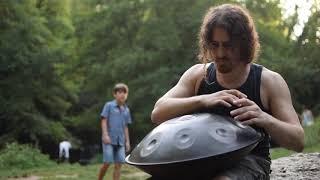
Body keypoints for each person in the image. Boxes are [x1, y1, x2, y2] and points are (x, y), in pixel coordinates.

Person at [151, 4, 304, 180]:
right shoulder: (198, 75)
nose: (220, 53)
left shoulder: (269, 81)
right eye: (215, 45)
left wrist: (264, 118)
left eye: (228, 45)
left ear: (244, 44)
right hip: (202, 159)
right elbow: (158, 113)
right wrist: (203, 100)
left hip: (249, 161)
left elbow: (298, 141)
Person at [98, 83, 132, 180]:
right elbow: (103, 120)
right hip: (109, 139)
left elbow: (125, 126)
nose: (122, 95)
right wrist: (105, 135)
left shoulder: (126, 110)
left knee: (119, 164)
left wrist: (127, 141)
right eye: (120, 92)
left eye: (125, 93)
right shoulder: (109, 105)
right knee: (107, 162)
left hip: (120, 141)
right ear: (115, 94)